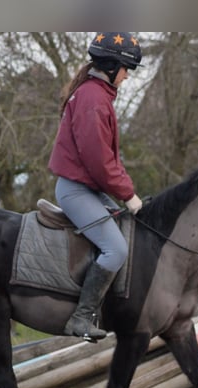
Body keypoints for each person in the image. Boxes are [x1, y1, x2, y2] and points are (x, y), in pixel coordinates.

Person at [48, 32, 143, 342]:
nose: (128, 77)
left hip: (86, 188)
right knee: (115, 250)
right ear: (113, 67)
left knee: (125, 232)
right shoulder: (93, 99)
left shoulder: (97, 95)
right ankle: (81, 317)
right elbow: (99, 161)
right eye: (128, 69)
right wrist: (128, 194)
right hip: (76, 190)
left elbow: (105, 159)